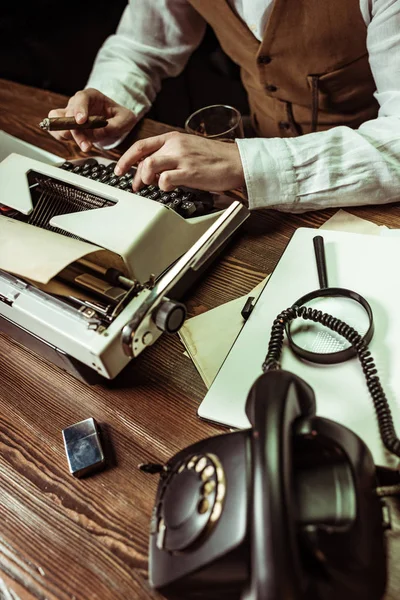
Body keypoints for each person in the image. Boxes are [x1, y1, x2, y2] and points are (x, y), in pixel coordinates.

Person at [47, 0, 400, 212]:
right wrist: (112, 94)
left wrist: (242, 163)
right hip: (248, 189)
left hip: (372, 193)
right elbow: (140, 46)